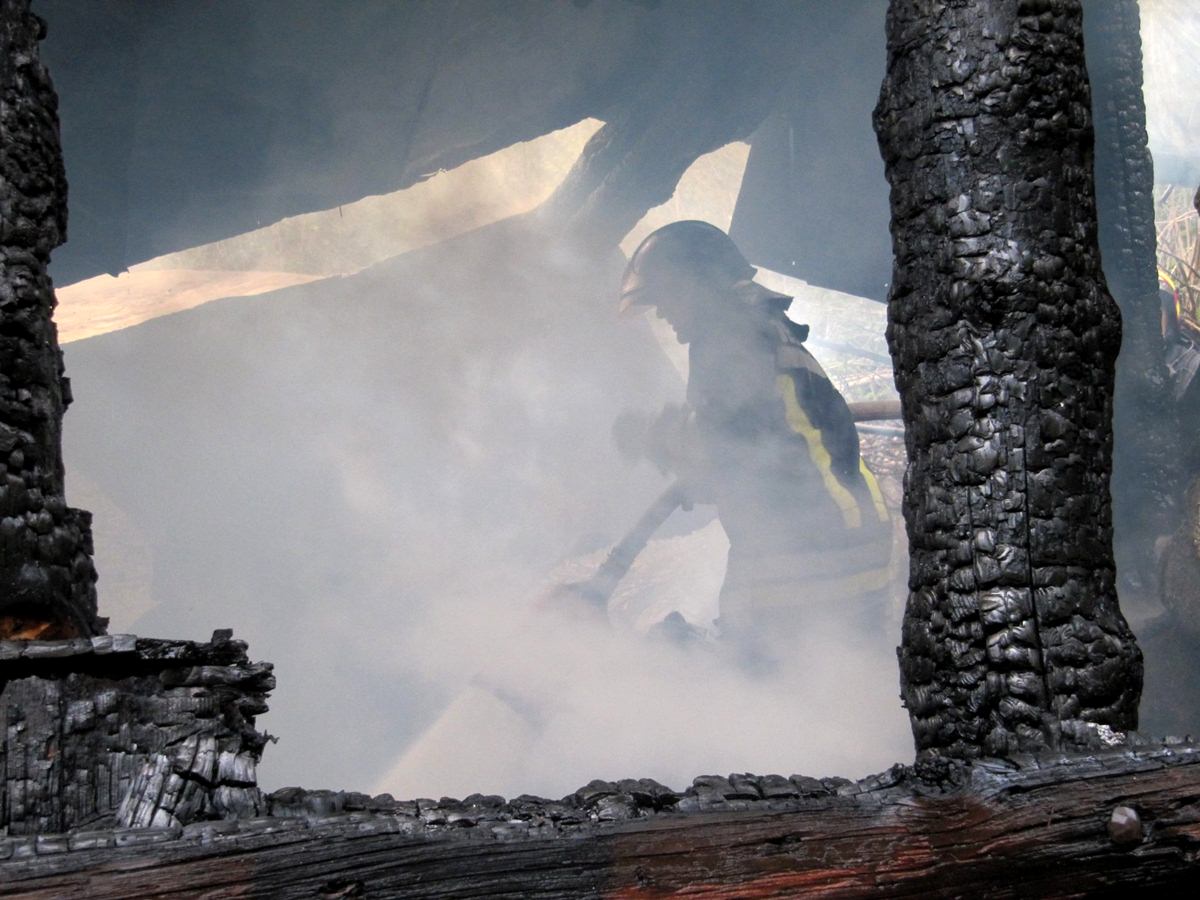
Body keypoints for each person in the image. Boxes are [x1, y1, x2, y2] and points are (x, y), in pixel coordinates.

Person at [617, 220, 891, 658]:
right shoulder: (760, 326)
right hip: (851, 538)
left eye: (667, 297)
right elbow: (758, 442)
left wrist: (657, 439)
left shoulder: (727, 336)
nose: (664, 313)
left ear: (699, 283)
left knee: (743, 676)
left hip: (808, 553)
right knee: (813, 675)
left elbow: (727, 451)